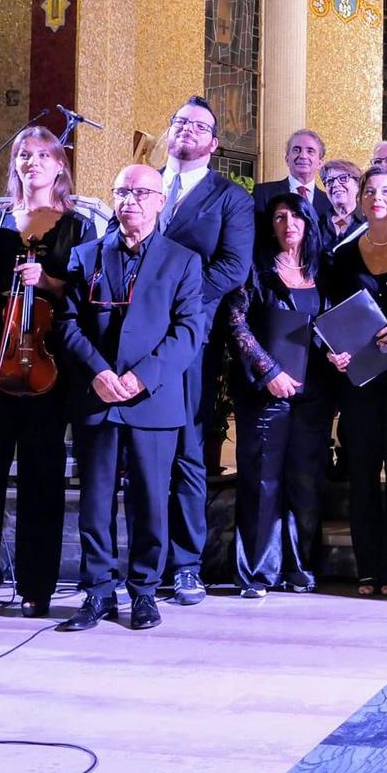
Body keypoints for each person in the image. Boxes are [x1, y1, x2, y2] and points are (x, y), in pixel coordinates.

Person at [0, 125, 92, 620]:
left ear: (59, 165)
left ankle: (37, 585)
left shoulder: (77, 228)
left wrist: (48, 280)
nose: (32, 162)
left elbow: (83, 297)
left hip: (47, 368)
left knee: (41, 476)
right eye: (24, 155)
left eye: (42, 155)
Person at [56, 164, 204, 632]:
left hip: (151, 400)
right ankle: (98, 592)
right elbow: (67, 323)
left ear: (161, 202)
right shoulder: (86, 255)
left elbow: (189, 331)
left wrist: (141, 378)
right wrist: (99, 372)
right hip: (97, 396)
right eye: (122, 191)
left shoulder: (183, 260)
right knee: (96, 501)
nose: (130, 201)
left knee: (150, 500)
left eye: (142, 193)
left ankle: (144, 591)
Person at [158, 96, 254, 607]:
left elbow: (233, 268)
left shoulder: (228, 197)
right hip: (135, 339)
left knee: (189, 450)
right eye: (180, 122)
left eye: (200, 127)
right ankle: (143, 563)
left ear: (214, 144)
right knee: (144, 453)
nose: (188, 131)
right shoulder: (144, 185)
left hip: (192, 336)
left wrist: (174, 305)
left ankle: (186, 565)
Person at [323, 165, 387, 596]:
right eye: (369, 191)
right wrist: (334, 350)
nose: (376, 197)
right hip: (360, 380)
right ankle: (368, 566)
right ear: (361, 200)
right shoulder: (342, 257)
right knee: (363, 472)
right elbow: (327, 314)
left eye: (386, 191)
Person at [227, 192, 334, 598]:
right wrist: (269, 371)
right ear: (270, 225)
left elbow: (329, 327)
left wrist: (338, 353)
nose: (289, 224)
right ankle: (257, 572)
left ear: (309, 223)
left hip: (313, 393)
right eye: (280, 217)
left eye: (297, 217)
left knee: (305, 483)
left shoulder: (324, 272)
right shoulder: (254, 271)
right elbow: (237, 327)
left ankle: (300, 567)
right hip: (266, 392)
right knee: (261, 482)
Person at [253, 129, 334, 234]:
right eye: (296, 150)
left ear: (320, 162)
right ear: (287, 159)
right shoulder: (263, 193)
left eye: (310, 151)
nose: (303, 156)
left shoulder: (330, 202)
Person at [320, 159, 365, 250]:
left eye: (343, 178)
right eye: (330, 181)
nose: (336, 184)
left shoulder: (370, 221)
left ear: (358, 185)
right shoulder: (318, 222)